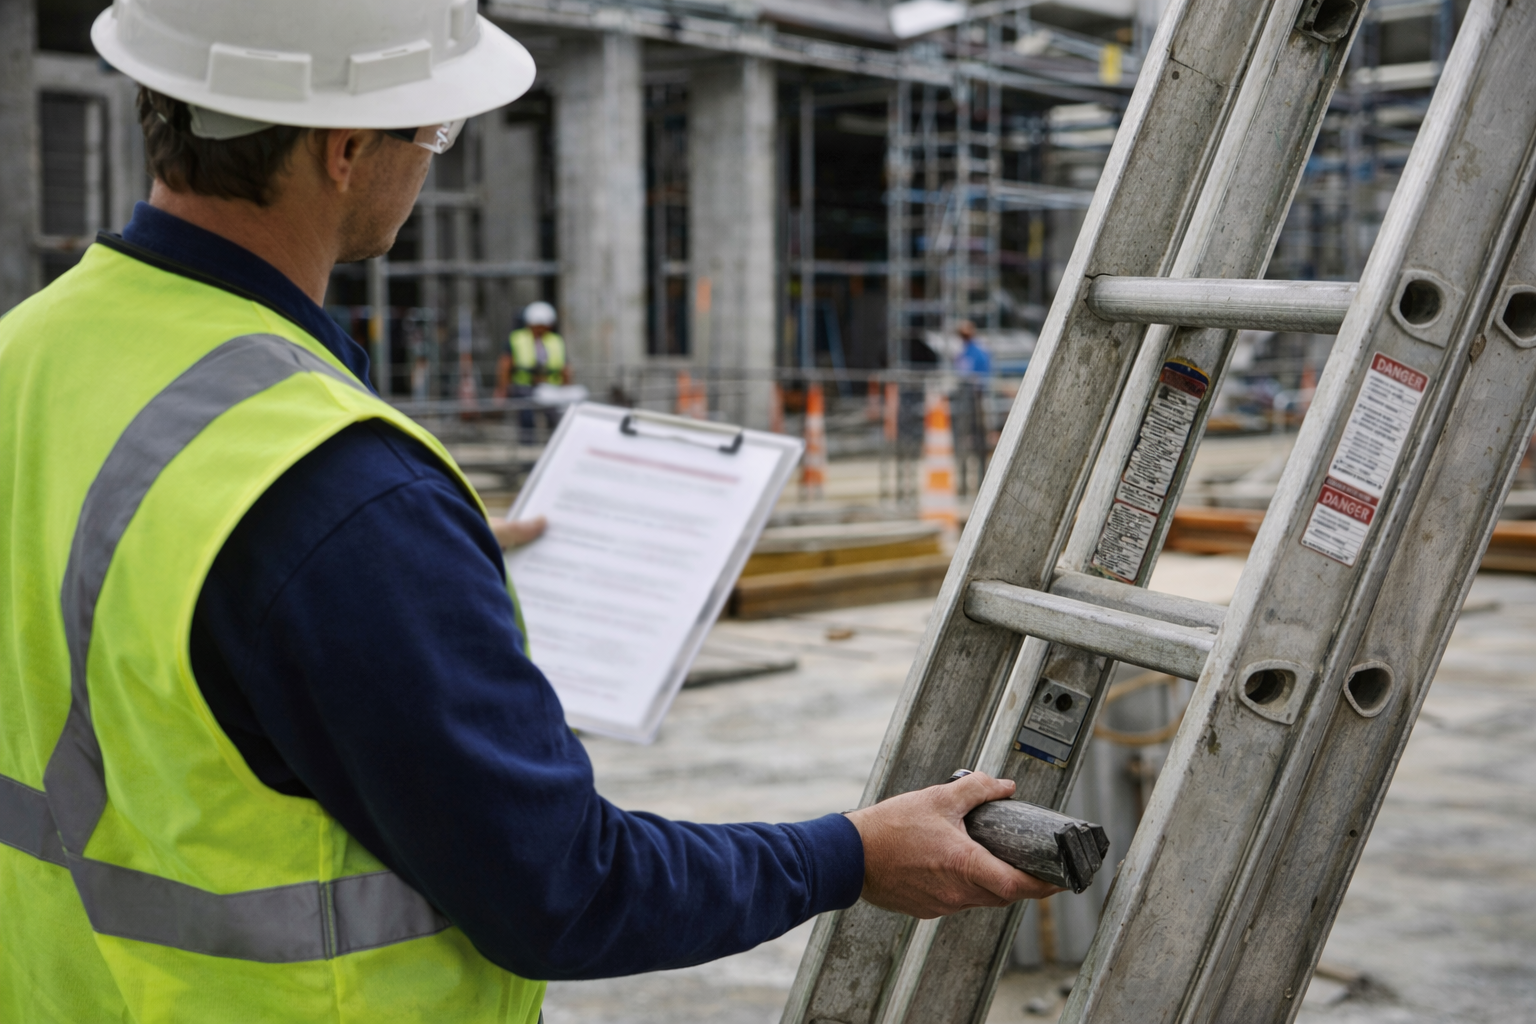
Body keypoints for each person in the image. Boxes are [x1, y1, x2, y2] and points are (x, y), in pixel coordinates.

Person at [0, 3, 1057, 1022]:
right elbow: (561, 888)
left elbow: (123, 613)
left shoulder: (30, 351)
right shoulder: (336, 495)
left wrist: (398, 570)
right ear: (345, 146)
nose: (432, 159)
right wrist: (850, 853)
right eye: (436, 127)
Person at [496, 301, 568, 440]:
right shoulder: (517, 339)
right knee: (526, 419)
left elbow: (565, 368)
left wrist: (565, 389)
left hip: (551, 387)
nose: (540, 330)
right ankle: (527, 450)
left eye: (543, 327)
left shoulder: (556, 341)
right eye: (536, 327)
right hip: (523, 387)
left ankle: (555, 445)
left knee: (556, 419)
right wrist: (502, 390)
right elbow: (505, 364)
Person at [952, 320, 994, 494]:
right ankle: (963, 485)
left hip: (977, 401)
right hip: (964, 403)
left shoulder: (977, 353)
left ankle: (981, 483)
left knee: (980, 444)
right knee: (963, 444)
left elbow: (982, 378)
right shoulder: (962, 354)